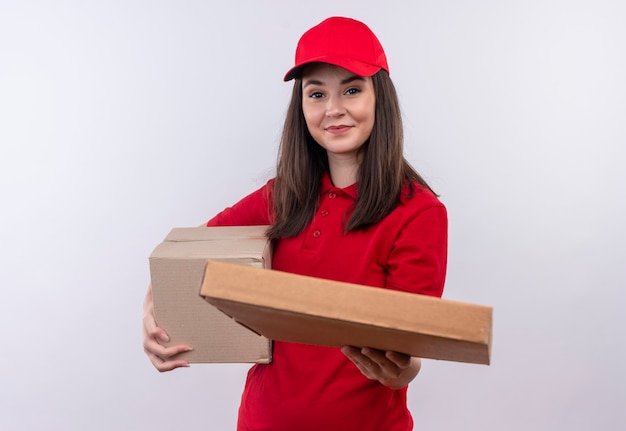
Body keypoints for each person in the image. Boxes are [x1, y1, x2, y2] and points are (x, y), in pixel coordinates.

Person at [143, 16, 447, 431]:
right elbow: (187, 252)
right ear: (301, 105)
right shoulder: (282, 195)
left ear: (381, 98)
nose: (333, 109)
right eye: (316, 93)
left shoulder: (418, 213)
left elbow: (409, 355)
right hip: (261, 421)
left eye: (352, 90)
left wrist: (397, 371)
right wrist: (154, 310)